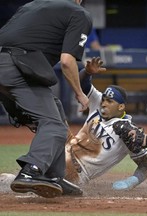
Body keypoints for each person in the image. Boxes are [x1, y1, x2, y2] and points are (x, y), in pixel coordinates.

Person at [0, 0, 92, 198]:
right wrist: (79, 93)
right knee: (54, 125)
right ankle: (31, 171)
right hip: (16, 66)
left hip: (7, 64)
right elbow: (67, 61)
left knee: (55, 111)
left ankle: (53, 176)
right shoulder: (78, 13)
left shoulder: (32, 5)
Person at [64, 57, 147, 190]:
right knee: (55, 107)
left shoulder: (128, 130)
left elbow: (146, 166)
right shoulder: (98, 103)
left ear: (121, 107)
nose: (104, 104)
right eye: (104, 100)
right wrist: (87, 72)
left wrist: (130, 182)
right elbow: (81, 84)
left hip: (77, 171)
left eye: (110, 102)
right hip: (64, 150)